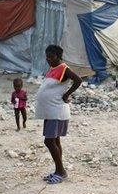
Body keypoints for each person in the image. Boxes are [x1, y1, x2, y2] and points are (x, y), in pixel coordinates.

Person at [35, 45, 82, 184]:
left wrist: (67, 94)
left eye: (51, 56)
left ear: (58, 56)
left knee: (49, 141)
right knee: (55, 141)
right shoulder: (52, 68)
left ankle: (61, 171)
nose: (48, 59)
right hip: (50, 111)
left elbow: (78, 80)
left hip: (56, 110)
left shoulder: (64, 68)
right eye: (47, 56)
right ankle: (58, 170)